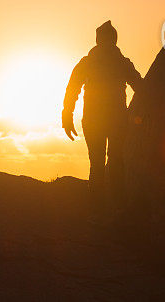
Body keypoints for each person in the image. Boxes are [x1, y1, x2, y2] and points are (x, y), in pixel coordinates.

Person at [62, 20, 142, 208]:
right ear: (114, 40)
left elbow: (71, 90)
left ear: (98, 40)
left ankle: (98, 210)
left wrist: (67, 116)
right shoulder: (122, 62)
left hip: (94, 120)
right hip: (116, 120)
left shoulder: (88, 62)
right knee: (115, 161)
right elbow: (141, 87)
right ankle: (117, 207)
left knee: (97, 163)